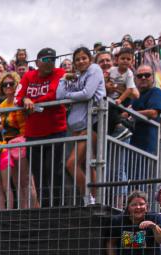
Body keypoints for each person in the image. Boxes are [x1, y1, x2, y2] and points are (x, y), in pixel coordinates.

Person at [15, 47, 67, 207]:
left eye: (53, 59)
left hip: (56, 130)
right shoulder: (28, 76)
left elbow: (54, 94)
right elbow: (18, 96)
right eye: (46, 59)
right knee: (38, 172)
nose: (50, 62)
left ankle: (56, 206)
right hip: (33, 133)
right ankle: (44, 207)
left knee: (54, 169)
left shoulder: (60, 73)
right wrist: (24, 100)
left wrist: (32, 101)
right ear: (37, 62)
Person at [56, 46, 105, 205]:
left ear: (90, 59)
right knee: (87, 164)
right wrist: (64, 78)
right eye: (77, 59)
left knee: (71, 164)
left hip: (91, 124)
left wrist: (70, 96)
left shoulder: (95, 69)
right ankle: (95, 198)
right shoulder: (77, 76)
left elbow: (87, 93)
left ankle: (90, 198)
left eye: (84, 58)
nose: (81, 61)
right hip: (78, 127)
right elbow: (59, 96)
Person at [0, 71, 37, 209]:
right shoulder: (2, 105)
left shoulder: (21, 99)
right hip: (8, 144)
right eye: (5, 84)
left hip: (22, 140)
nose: (8, 86)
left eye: (11, 84)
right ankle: (22, 210)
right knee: (16, 181)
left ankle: (32, 210)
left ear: (17, 85)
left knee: (26, 180)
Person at [129, 65, 161, 155]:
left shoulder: (156, 92)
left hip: (146, 146)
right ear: (135, 79)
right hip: (131, 143)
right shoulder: (133, 96)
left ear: (152, 77)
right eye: (140, 76)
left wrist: (130, 113)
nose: (143, 78)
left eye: (147, 75)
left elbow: (153, 113)